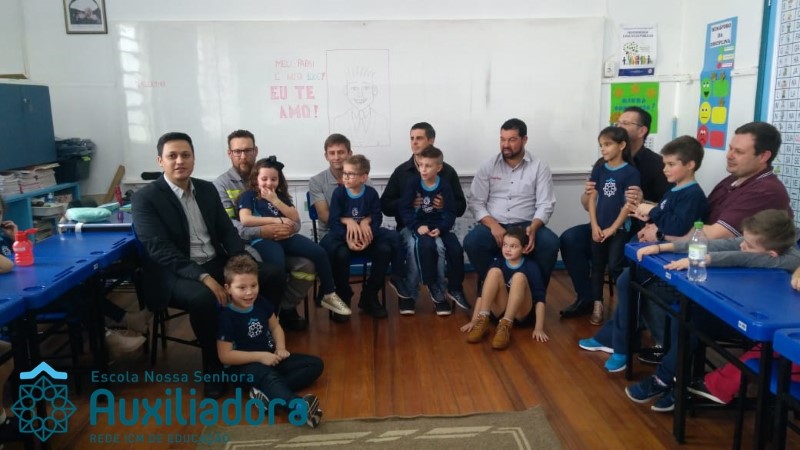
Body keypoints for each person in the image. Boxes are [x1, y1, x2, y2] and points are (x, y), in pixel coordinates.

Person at [621, 122, 792, 412]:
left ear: (764, 156)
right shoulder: (731, 181)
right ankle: (672, 363)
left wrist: (661, 234)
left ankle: (671, 374)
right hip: (722, 275)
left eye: (739, 151)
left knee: (684, 311)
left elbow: (716, 240)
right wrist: (664, 239)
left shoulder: (764, 191)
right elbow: (703, 231)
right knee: (639, 282)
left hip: (746, 288)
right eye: (730, 148)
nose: (729, 155)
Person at [132, 131, 271, 399]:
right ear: (160, 161)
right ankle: (213, 366)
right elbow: (160, 250)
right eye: (172, 156)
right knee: (204, 299)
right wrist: (204, 277)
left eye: (185, 155)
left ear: (193, 158)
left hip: (214, 260)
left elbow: (226, 230)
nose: (179, 161)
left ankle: (253, 342)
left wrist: (241, 260)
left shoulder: (206, 189)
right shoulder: (145, 198)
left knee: (269, 274)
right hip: (173, 272)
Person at [628, 209, 800, 411]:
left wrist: (699, 260)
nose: (742, 245)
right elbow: (721, 245)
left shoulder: (789, 260)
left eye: (748, 245)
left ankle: (665, 380)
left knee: (690, 321)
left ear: (772, 254)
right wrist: (663, 247)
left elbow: (741, 258)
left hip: (758, 328)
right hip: (741, 310)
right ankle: (676, 379)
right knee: (684, 314)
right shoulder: (765, 245)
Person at [579, 135, 708, 372]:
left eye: (671, 164)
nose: (664, 169)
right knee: (626, 282)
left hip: (671, 261)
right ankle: (617, 342)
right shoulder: (675, 190)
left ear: (690, 165)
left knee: (628, 283)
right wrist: (649, 221)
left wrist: (653, 215)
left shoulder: (693, 195)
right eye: (664, 164)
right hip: (656, 256)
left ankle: (623, 346)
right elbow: (665, 218)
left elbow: (678, 226)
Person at [560, 107, 671, 318]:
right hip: (602, 221)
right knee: (570, 239)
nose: (619, 126)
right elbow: (588, 202)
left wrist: (642, 202)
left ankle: (633, 312)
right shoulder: (603, 163)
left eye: (626, 123)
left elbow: (667, 208)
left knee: (619, 259)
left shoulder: (658, 165)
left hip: (638, 229)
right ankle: (588, 298)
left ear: (642, 131)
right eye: (618, 122)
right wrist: (587, 195)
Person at [214, 129, 310, 331]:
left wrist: (289, 229)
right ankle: (261, 317)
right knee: (269, 270)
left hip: (279, 239)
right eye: (237, 151)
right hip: (244, 245)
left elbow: (294, 219)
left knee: (307, 266)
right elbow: (228, 227)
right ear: (229, 153)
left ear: (255, 151)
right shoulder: (221, 185)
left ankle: (284, 308)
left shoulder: (270, 176)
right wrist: (262, 231)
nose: (243, 156)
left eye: (248, 150)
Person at [217, 255, 324, 428]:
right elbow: (225, 356)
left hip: (270, 358)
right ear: (228, 288)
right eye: (241, 288)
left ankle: (266, 394)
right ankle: (298, 407)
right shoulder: (226, 316)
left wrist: (280, 348)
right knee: (269, 377)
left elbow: (275, 327)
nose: (249, 292)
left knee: (315, 364)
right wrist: (260, 357)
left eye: (253, 285)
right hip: (243, 368)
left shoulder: (261, 302)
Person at [238, 156, 351, 318]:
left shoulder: (279, 195)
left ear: (279, 180)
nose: (269, 183)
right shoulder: (249, 195)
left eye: (273, 179)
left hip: (286, 237)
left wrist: (275, 200)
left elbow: (294, 216)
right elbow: (245, 220)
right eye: (264, 179)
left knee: (319, 252)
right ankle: (274, 311)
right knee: (278, 266)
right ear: (256, 179)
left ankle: (328, 294)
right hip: (263, 240)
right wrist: (276, 220)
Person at [381, 122, 468, 314]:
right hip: (409, 226)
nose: (414, 142)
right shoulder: (402, 172)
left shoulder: (447, 172)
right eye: (411, 138)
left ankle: (439, 293)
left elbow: (460, 207)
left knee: (440, 247)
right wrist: (407, 202)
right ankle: (410, 295)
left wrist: (445, 205)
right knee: (415, 246)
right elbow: (385, 205)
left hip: (438, 226)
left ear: (431, 140)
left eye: (419, 138)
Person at [463, 118, 559, 292]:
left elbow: (545, 203)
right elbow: (476, 202)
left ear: (524, 140)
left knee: (550, 243)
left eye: (512, 140)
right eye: (502, 139)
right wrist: (493, 225)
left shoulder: (539, 166)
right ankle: (495, 289)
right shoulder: (488, 165)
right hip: (494, 224)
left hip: (526, 225)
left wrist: (534, 227)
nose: (505, 145)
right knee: (473, 242)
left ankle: (534, 294)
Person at [319, 154, 410, 318]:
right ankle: (343, 295)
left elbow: (377, 217)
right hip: (345, 239)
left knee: (388, 246)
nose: (345, 177)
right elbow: (334, 220)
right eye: (344, 173)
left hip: (367, 238)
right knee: (335, 251)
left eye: (350, 174)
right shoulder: (339, 193)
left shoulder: (371, 193)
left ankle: (371, 295)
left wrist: (368, 231)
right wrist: (348, 237)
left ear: (363, 177)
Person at [397, 145, 466, 316]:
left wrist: (441, 229)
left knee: (448, 249)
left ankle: (447, 290)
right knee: (423, 247)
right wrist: (416, 226)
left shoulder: (445, 186)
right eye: (421, 165)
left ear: (438, 168)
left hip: (438, 227)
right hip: (418, 226)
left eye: (428, 166)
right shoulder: (413, 183)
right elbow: (404, 209)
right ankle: (425, 287)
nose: (423, 169)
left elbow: (451, 212)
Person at [586, 127, 640, 326]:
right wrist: (594, 225)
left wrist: (613, 228)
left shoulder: (631, 172)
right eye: (601, 145)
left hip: (619, 229)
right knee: (597, 266)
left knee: (615, 265)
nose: (603, 149)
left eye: (608, 144)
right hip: (599, 227)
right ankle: (597, 305)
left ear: (622, 145)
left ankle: (624, 307)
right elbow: (592, 198)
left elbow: (629, 204)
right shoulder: (600, 169)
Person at [460, 227, 548, 349]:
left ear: (524, 248)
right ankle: (483, 320)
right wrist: (474, 320)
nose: (507, 249)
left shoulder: (531, 266)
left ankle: (506, 324)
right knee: (494, 272)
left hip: (520, 313)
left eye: (513, 246)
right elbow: (482, 294)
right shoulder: (498, 262)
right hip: (499, 310)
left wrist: (539, 328)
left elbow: (540, 299)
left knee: (519, 277)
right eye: (505, 245)